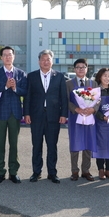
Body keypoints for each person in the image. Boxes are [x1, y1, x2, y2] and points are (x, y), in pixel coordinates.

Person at [24, 50, 68, 183]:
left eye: (48, 59)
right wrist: (26, 113)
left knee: (52, 145)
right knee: (36, 145)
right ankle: (36, 172)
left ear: (52, 61)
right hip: (36, 115)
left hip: (54, 116)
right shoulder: (31, 76)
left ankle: (52, 172)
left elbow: (63, 98)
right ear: (39, 61)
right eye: (43, 59)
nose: (45, 61)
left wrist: (63, 114)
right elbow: (27, 97)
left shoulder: (59, 77)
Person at [0, 46, 27, 184]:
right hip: (0, 113)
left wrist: (15, 88)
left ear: (14, 56)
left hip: (15, 113)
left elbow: (24, 91)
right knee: (0, 144)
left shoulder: (21, 73)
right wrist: (5, 86)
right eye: (5, 55)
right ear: (1, 58)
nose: (7, 57)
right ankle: (0, 172)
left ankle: (13, 172)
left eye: (10, 55)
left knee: (14, 144)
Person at [66, 58, 96, 181]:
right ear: (74, 69)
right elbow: (65, 100)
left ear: (87, 69)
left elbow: (97, 100)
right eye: (78, 67)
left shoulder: (93, 84)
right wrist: (76, 109)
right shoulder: (68, 84)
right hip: (75, 117)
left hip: (89, 117)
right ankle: (74, 170)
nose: (80, 69)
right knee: (75, 143)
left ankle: (86, 170)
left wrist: (93, 109)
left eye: (83, 67)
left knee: (88, 143)